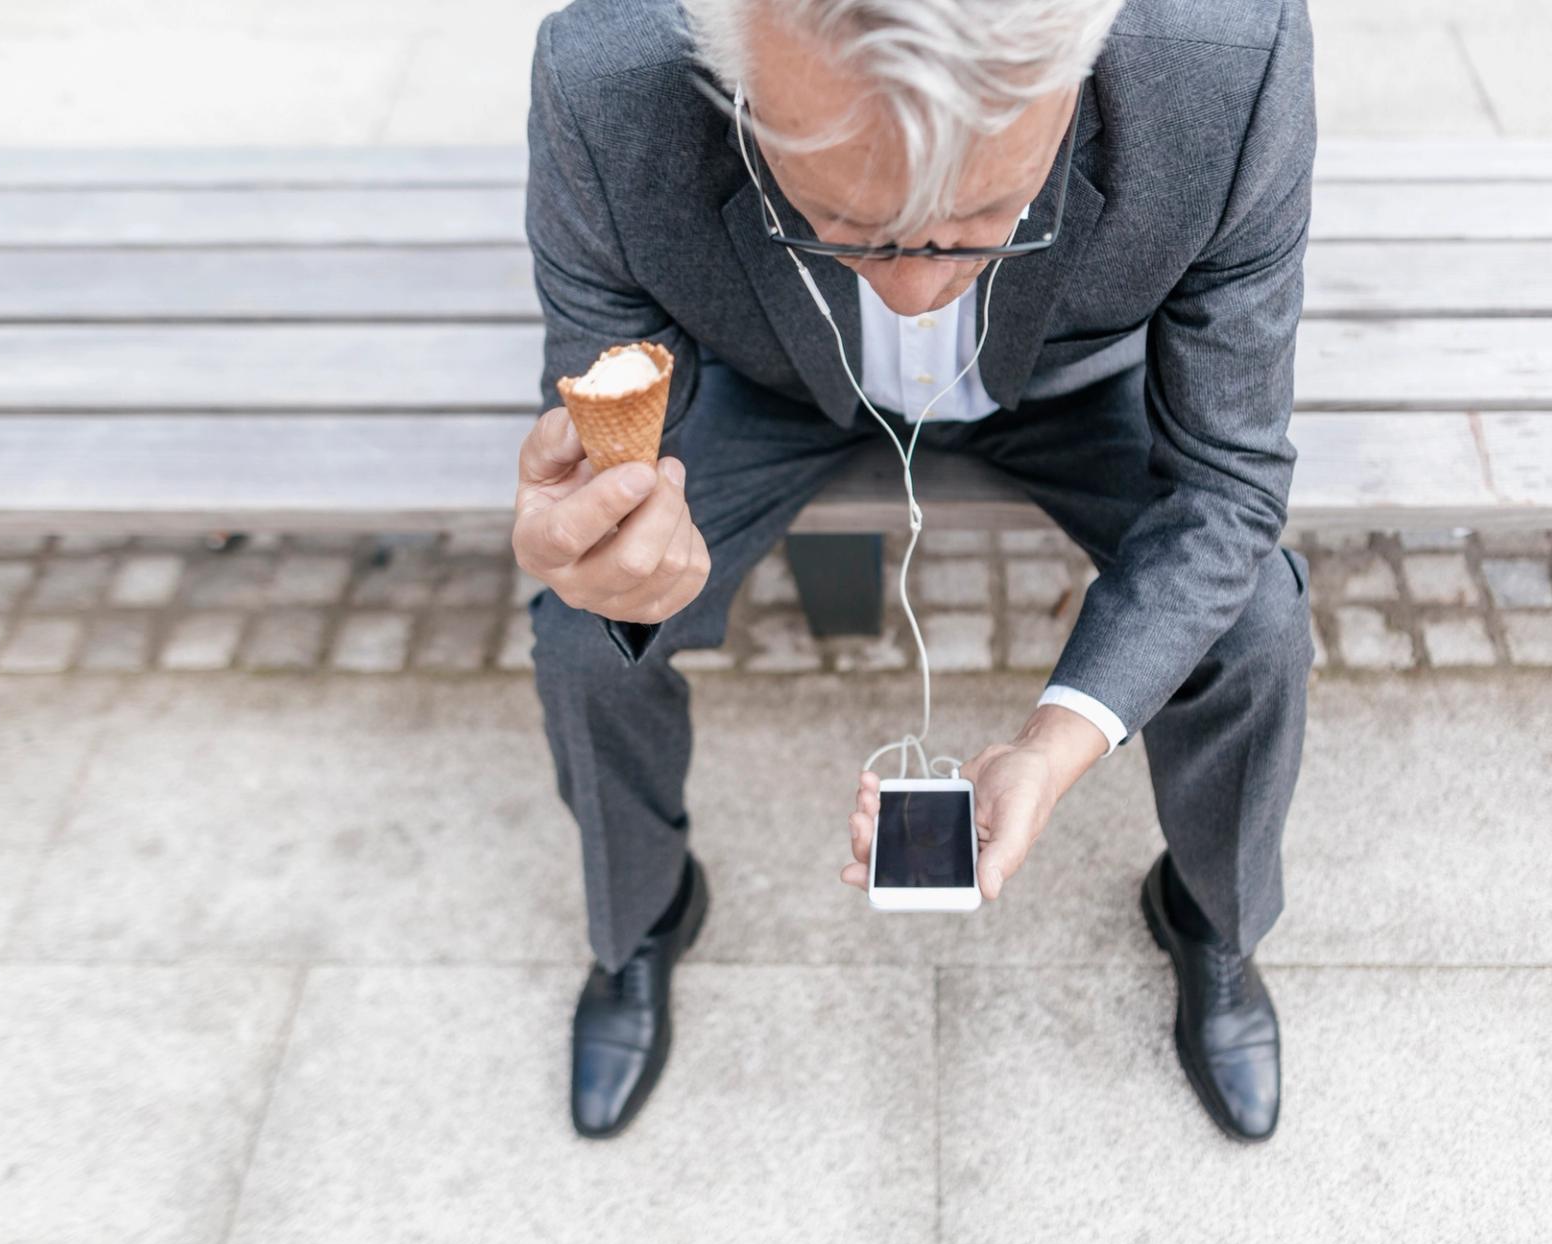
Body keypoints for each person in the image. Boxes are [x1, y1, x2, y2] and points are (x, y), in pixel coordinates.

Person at [515, 0, 1316, 1142]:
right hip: (771, 385)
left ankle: (1212, 920)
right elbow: (604, 398)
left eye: (990, 215)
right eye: (840, 222)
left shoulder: (1227, 67)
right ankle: (640, 920)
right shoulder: (606, 81)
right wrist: (612, 549)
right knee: (576, 634)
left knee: (1259, 628)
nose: (913, 290)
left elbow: (1227, 487)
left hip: (1065, 380)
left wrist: (1057, 739)